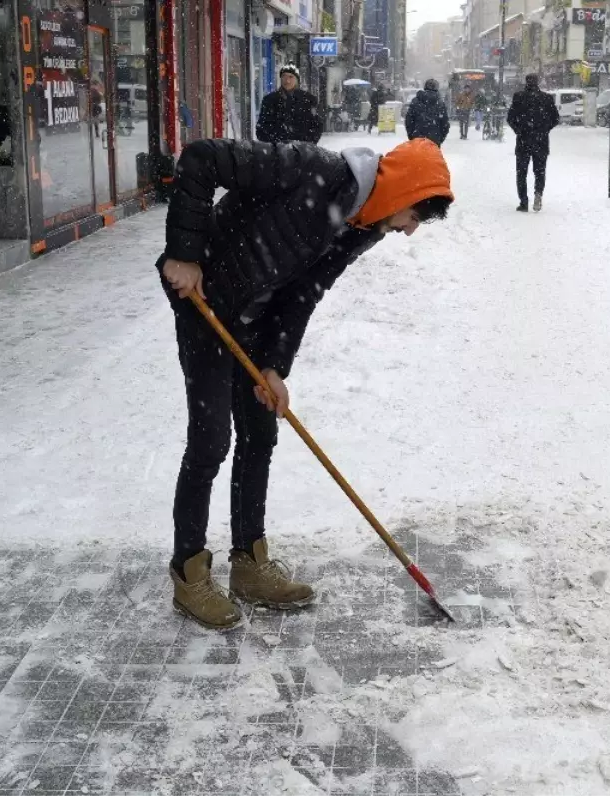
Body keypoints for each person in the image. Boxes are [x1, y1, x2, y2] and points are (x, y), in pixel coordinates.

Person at [158, 137, 454, 628]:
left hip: (254, 318)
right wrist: (185, 253)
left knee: (260, 431)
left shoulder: (362, 226)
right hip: (205, 298)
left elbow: (304, 293)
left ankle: (249, 564)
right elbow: (201, 159)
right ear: (401, 190)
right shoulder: (305, 169)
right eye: (415, 216)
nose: (409, 231)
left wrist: (275, 365)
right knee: (211, 440)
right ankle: (188, 572)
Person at [507, 74, 560, 212]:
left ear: (526, 82)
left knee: (521, 173)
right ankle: (538, 193)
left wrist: (519, 130)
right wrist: (544, 129)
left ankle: (524, 202)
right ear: (538, 82)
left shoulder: (518, 97)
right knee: (540, 171)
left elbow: (510, 118)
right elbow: (555, 118)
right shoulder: (546, 98)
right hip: (541, 142)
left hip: (523, 141)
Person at [256, 65, 322, 145]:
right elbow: (261, 127)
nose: (287, 80)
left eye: (291, 77)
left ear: (297, 80)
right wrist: (275, 143)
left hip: (302, 152)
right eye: (284, 76)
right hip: (276, 152)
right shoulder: (269, 100)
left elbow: (317, 126)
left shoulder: (309, 100)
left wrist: (306, 145)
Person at [405, 79, 450, 147]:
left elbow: (409, 121)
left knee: (418, 157)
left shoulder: (415, 101)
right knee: (431, 158)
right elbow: (445, 124)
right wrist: (439, 139)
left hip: (417, 138)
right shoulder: (440, 103)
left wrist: (412, 136)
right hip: (434, 140)